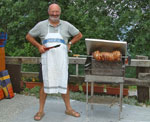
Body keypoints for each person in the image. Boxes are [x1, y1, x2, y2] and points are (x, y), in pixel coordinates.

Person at [26, 3, 82, 121]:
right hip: (47, 62)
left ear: (60, 12)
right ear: (48, 12)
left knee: (64, 83)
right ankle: (40, 111)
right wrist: (39, 46)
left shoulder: (66, 25)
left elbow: (79, 35)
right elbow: (29, 36)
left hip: (61, 62)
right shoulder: (41, 25)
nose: (55, 14)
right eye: (52, 11)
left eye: (57, 12)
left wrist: (70, 43)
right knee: (44, 84)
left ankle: (68, 109)